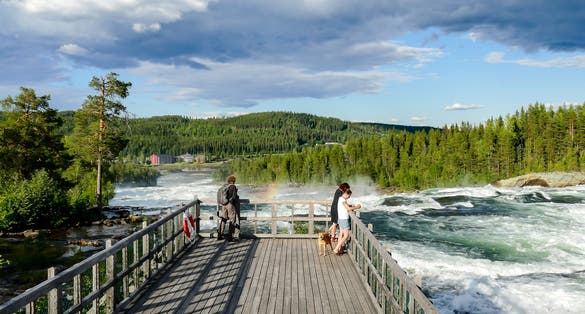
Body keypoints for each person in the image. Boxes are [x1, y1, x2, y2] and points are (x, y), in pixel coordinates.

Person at [333, 189, 360, 255]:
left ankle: (340, 249)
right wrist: (357, 207)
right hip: (344, 219)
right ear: (346, 194)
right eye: (349, 196)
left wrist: (352, 206)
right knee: (346, 235)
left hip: (340, 219)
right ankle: (336, 249)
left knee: (341, 234)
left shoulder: (340, 199)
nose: (349, 197)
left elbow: (347, 206)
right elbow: (348, 208)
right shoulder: (343, 200)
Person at [218, 175, 240, 241]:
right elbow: (234, 197)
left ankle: (220, 235)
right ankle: (230, 236)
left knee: (224, 219)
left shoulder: (225, 186)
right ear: (233, 181)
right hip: (230, 204)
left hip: (223, 204)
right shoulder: (233, 186)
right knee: (232, 219)